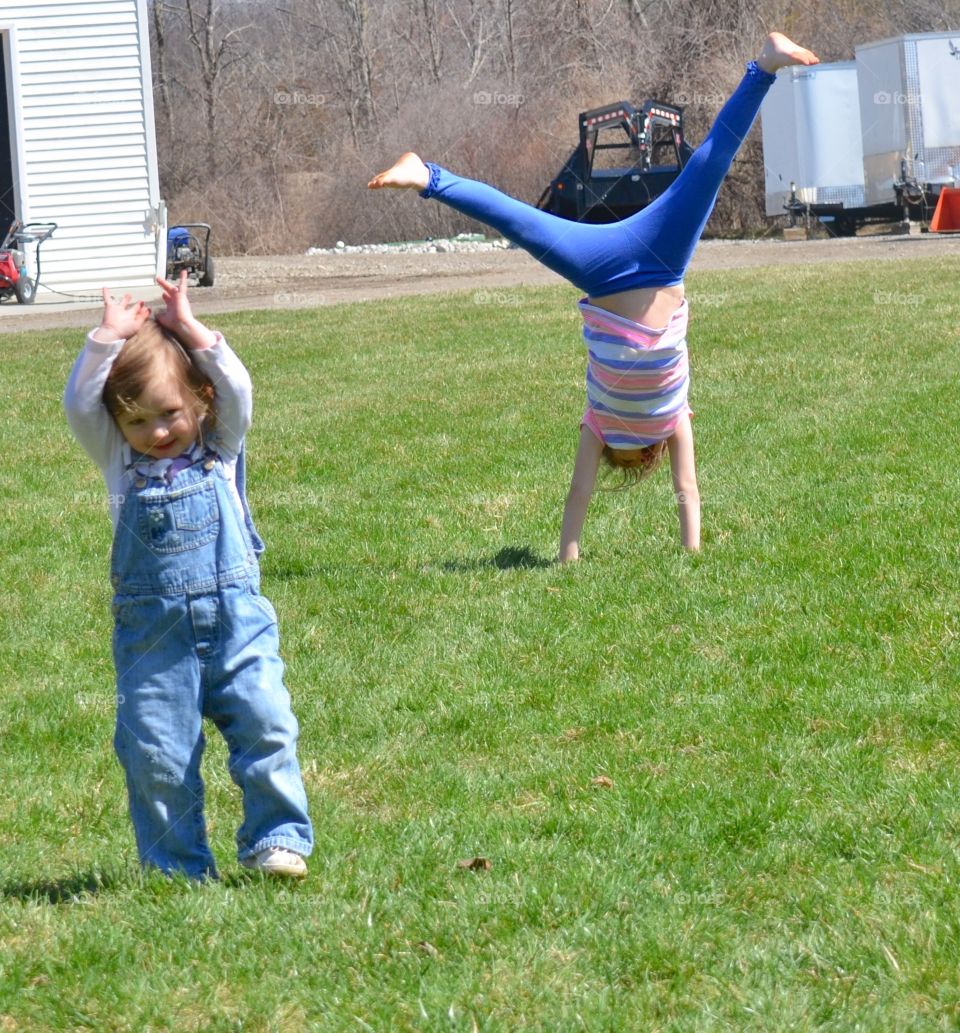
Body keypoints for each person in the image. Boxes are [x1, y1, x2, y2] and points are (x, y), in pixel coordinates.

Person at [369, 33, 819, 561]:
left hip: (655, 262)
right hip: (603, 269)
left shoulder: (673, 419)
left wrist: (690, 549)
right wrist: (566, 557)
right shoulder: (601, 424)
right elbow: (580, 494)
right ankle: (427, 175)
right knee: (519, 222)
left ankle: (763, 67)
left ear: (651, 454)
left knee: (708, 166)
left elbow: (687, 493)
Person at [64, 271, 314, 880]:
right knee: (156, 753)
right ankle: (176, 866)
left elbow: (239, 385)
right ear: (117, 429)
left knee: (267, 725)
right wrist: (106, 338)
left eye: (170, 413)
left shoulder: (221, 449)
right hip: (153, 638)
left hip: (237, 621)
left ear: (200, 402)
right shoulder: (123, 471)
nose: (157, 432)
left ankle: (275, 840)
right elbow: (79, 404)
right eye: (136, 422)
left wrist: (189, 327)